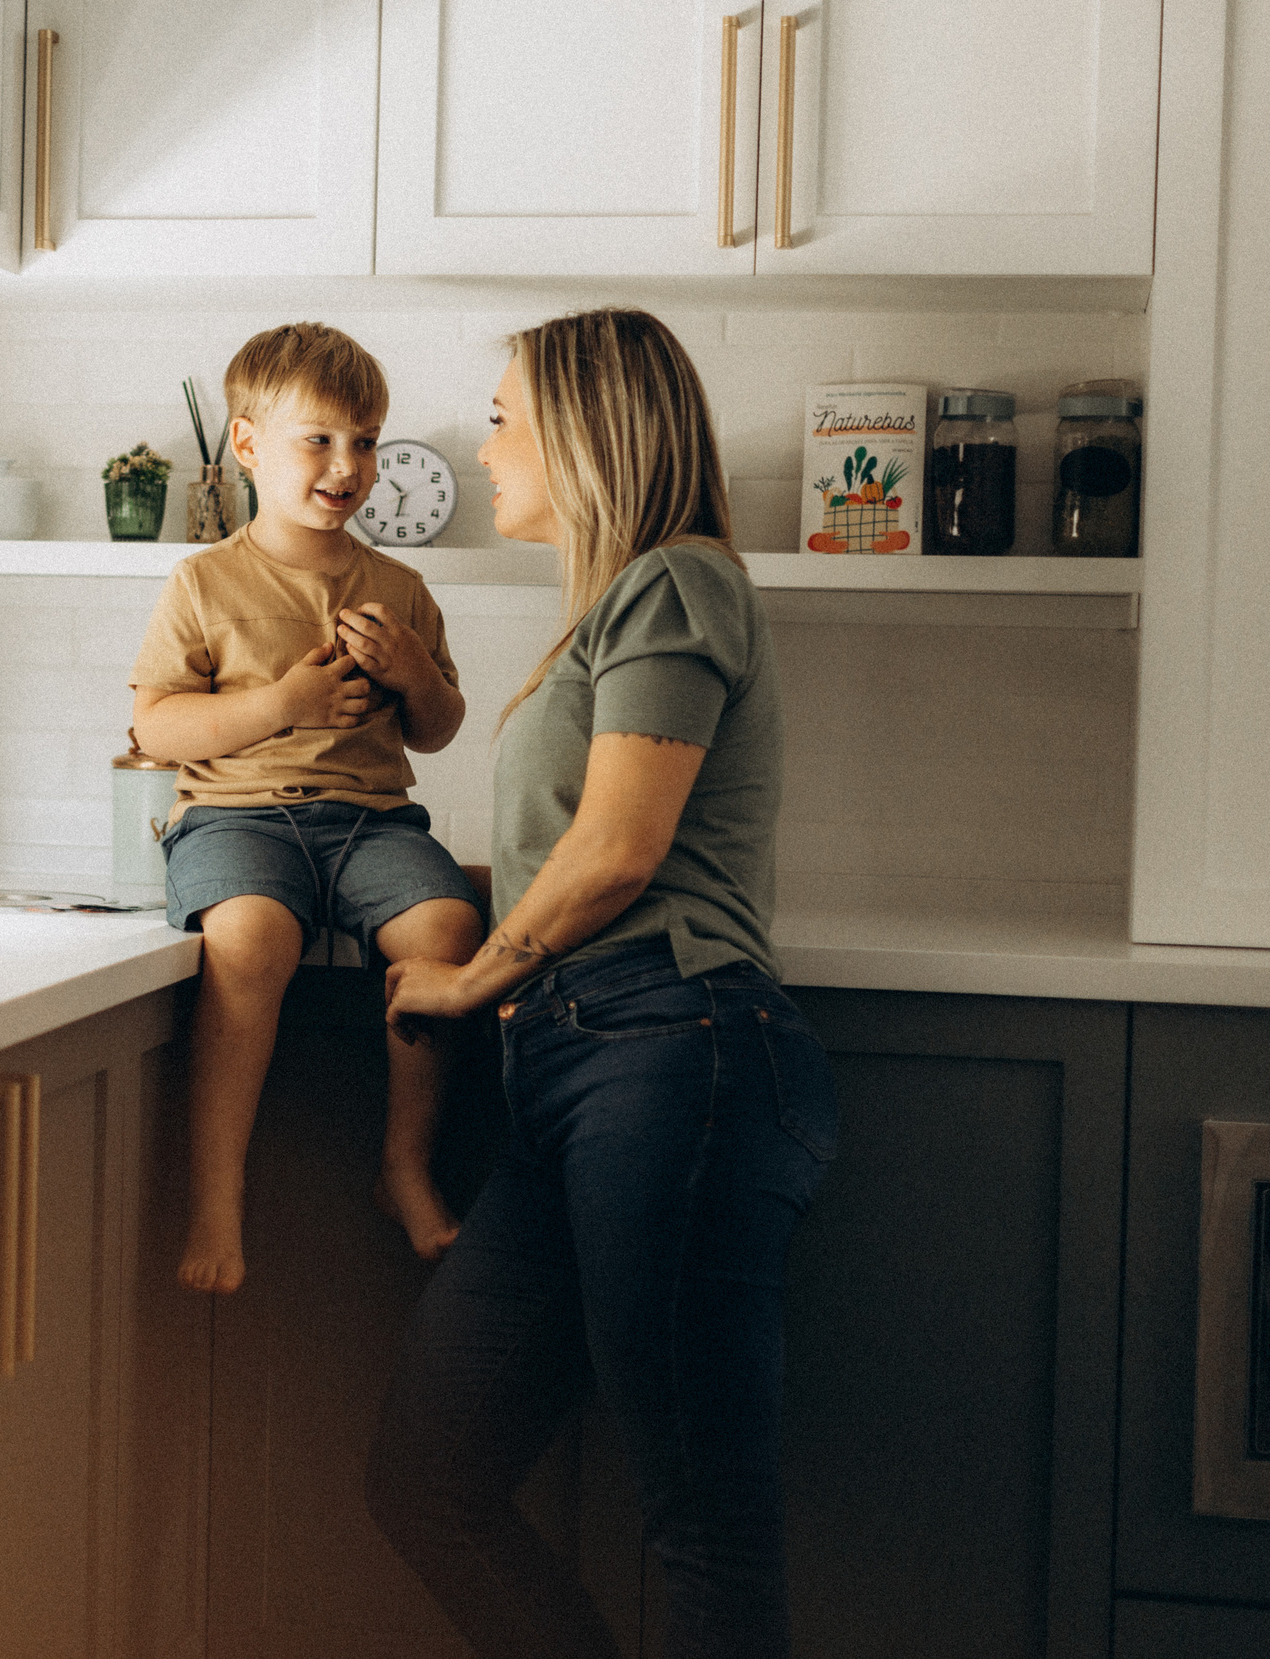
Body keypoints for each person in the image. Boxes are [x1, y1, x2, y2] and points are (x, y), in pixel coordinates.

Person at [367, 309, 838, 1659]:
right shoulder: (618, 608)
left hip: (675, 1054)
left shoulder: (677, 581)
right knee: (426, 1478)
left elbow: (621, 849)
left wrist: (470, 983)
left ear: (585, 433)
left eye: (502, 418)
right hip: (584, 1074)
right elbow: (570, 849)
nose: (485, 446)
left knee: (704, 1523)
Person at [131, 322, 486, 1295]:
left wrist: (414, 673)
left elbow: (438, 730)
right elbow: (157, 725)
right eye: (319, 440)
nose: (347, 466)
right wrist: (281, 705)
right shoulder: (203, 580)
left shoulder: (399, 588)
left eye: (365, 441)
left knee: (448, 927)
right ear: (247, 445)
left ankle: (403, 1166)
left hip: (370, 822)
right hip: (235, 820)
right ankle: (216, 1194)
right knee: (249, 940)